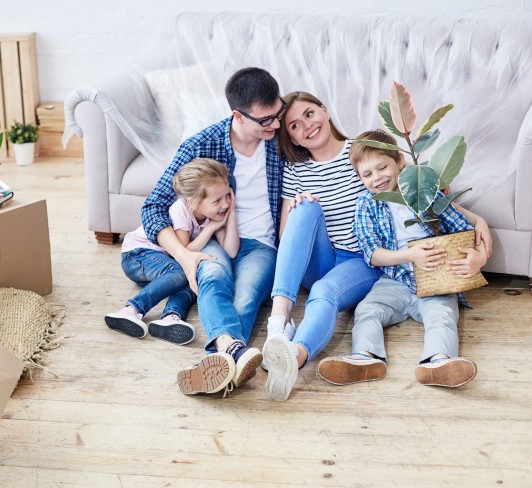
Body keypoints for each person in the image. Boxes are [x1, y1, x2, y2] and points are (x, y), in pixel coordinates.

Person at [261, 92, 492, 401]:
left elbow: (421, 188)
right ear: (291, 136)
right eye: (294, 125)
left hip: (363, 262)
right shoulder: (296, 169)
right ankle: (279, 326)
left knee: (328, 293)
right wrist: (301, 205)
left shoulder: (364, 151)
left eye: (309, 114)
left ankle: (294, 355)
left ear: (324, 111)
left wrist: (478, 222)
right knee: (302, 209)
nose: (306, 125)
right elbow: (288, 235)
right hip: (328, 258)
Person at [141, 67, 285, 395]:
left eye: (278, 113)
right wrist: (184, 256)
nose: (275, 124)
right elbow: (153, 206)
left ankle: (216, 361)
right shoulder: (202, 144)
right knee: (213, 277)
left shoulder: (281, 140)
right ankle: (231, 356)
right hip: (214, 236)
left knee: (246, 296)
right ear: (238, 115)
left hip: (262, 244)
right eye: (265, 120)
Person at [317, 129, 487, 388]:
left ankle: (438, 362)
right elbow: (372, 254)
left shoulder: (425, 191)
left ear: (399, 161)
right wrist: (409, 255)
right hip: (393, 278)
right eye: (367, 174)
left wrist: (478, 258)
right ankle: (366, 357)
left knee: (441, 315)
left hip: (435, 279)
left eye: (382, 167)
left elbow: (462, 229)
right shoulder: (366, 204)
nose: (377, 178)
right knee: (367, 310)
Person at [105, 158, 239, 347]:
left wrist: (231, 213)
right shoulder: (181, 210)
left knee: (193, 280)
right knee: (183, 270)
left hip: (164, 267)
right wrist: (211, 229)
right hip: (138, 255)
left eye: (227, 196)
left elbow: (231, 251)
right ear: (193, 203)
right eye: (218, 200)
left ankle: (171, 317)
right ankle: (131, 309)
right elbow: (183, 252)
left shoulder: (215, 213)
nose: (224, 204)